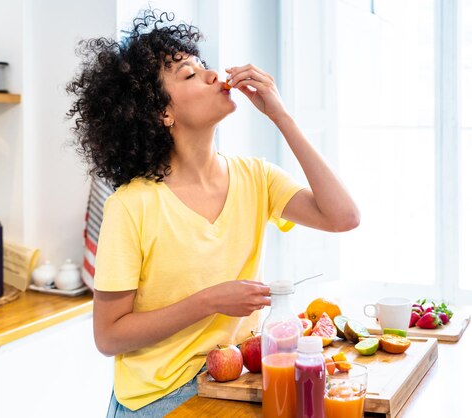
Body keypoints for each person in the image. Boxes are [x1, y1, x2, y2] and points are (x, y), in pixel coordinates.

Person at [66, 9, 359, 418]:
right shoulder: (130, 206)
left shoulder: (256, 177)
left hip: (240, 381)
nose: (210, 75)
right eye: (188, 74)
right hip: (161, 399)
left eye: (203, 66)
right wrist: (209, 301)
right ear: (161, 113)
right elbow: (109, 335)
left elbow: (343, 217)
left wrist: (281, 116)